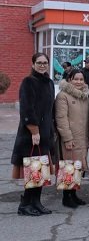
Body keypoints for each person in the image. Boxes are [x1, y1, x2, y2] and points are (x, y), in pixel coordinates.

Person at [12, 53, 55, 216]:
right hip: (31, 134)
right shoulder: (28, 82)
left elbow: (50, 109)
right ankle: (25, 205)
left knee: (41, 170)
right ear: (33, 64)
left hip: (46, 133)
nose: (42, 65)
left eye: (45, 62)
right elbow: (27, 109)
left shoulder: (49, 83)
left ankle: (36, 202)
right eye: (39, 62)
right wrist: (34, 131)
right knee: (33, 169)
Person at [55, 69, 89, 208]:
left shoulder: (85, 96)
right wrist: (67, 138)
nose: (79, 82)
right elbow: (61, 118)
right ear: (70, 79)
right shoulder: (63, 95)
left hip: (82, 137)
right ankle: (66, 197)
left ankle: (74, 194)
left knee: (78, 167)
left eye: (81, 79)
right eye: (76, 79)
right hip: (70, 138)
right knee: (68, 166)